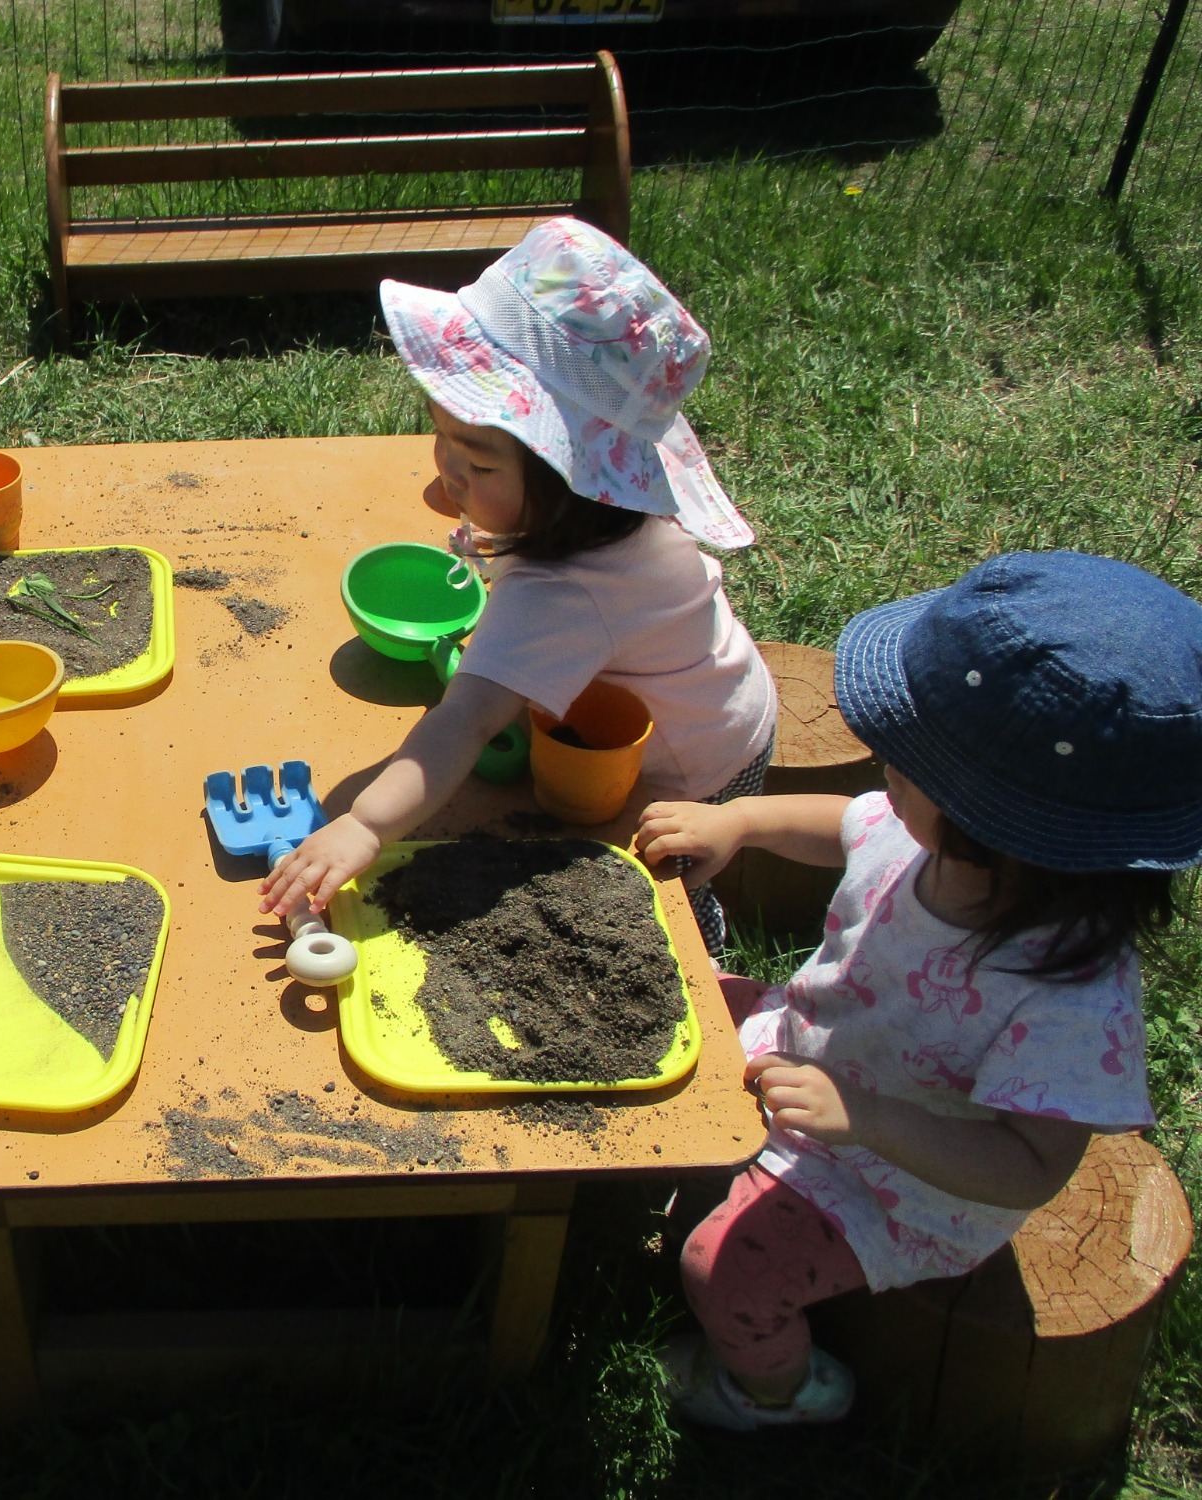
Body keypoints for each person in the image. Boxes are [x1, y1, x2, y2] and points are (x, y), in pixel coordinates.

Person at [635, 551, 1202, 1430]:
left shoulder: (1071, 998)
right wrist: (739, 821)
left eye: (909, 761)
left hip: (895, 1186)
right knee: (663, 1008)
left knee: (724, 1270)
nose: (883, 767)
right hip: (813, 1047)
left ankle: (776, 1393)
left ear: (995, 827)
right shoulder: (927, 839)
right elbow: (846, 823)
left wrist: (866, 1119)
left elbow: (1031, 1168)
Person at [259, 218, 776, 954]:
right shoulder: (603, 519)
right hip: (724, 692)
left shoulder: (562, 593)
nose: (448, 466)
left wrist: (366, 823)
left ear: (573, 483)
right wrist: (482, 496)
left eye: (480, 460)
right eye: (443, 435)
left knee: (668, 884)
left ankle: (707, 944)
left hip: (688, 765)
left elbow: (463, 721)